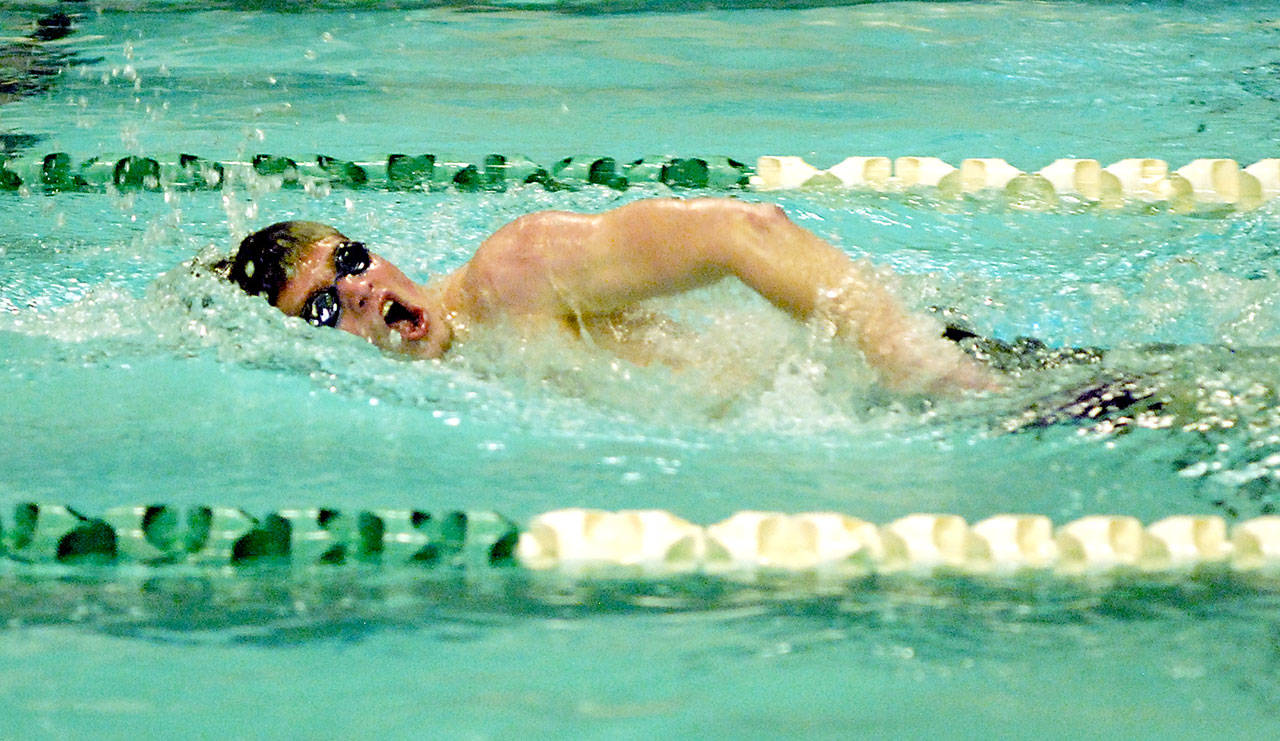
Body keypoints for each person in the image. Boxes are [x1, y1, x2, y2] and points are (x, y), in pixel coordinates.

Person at [221, 197, 998, 393]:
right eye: (323, 307)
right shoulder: (459, 371)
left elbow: (744, 229)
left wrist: (908, 357)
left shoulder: (512, 272)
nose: (360, 289)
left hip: (937, 380)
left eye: (350, 260)